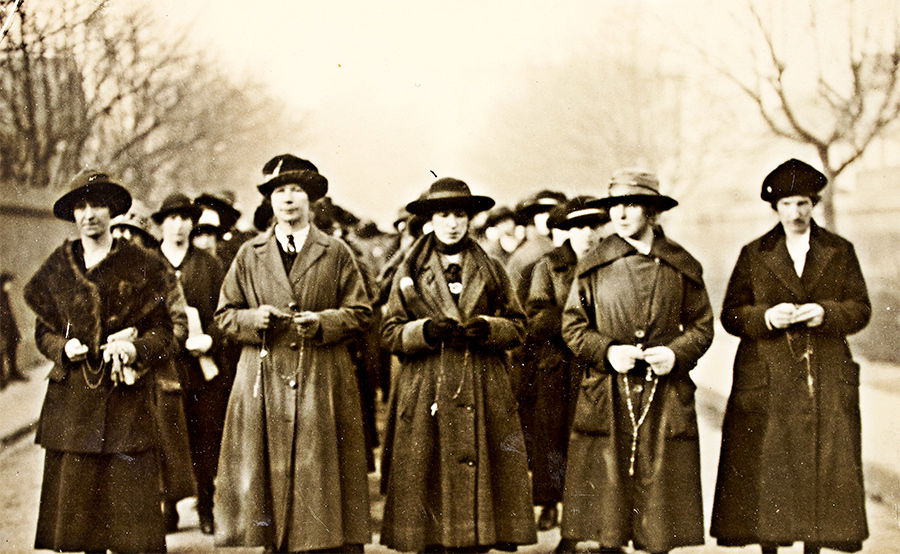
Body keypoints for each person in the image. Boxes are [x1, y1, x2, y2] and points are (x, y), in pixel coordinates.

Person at [710, 159, 872, 554]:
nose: (796, 213)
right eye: (787, 204)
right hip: (768, 375)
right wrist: (765, 316)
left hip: (824, 371)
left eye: (802, 203)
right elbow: (731, 313)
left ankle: (813, 547)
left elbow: (861, 308)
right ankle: (770, 546)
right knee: (771, 466)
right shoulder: (754, 253)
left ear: (814, 204)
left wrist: (827, 313)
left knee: (822, 460)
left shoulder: (838, 250)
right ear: (774, 208)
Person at [213, 154, 372, 552]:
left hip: (321, 373)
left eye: (297, 190)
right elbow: (224, 316)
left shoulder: (335, 252)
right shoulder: (250, 253)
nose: (288, 199)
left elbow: (361, 313)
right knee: (269, 475)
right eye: (280, 191)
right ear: (270, 200)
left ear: (311, 200)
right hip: (264, 377)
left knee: (319, 474)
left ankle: (323, 543)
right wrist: (253, 319)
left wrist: (323, 322)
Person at [558, 169, 714, 554]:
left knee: (660, 506)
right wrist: (608, 351)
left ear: (652, 212)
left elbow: (703, 325)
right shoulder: (593, 265)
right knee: (608, 505)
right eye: (614, 207)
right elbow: (573, 326)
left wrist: (676, 353)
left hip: (664, 391)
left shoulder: (681, 264)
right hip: (609, 390)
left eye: (631, 205)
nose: (621, 215)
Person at [380, 177, 537, 553]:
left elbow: (519, 325)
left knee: (482, 494)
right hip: (427, 388)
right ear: (430, 220)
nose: (452, 223)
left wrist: (489, 329)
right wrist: (425, 332)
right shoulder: (409, 271)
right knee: (430, 493)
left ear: (470, 220)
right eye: (443, 214)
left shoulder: (492, 268)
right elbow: (388, 333)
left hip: (481, 384)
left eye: (460, 215)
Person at [24, 170, 175, 553]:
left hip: (126, 409)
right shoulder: (59, 268)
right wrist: (63, 348)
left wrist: (135, 349)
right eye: (81, 206)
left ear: (112, 211)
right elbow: (43, 334)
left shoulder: (142, 265)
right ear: (73, 215)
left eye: (98, 205)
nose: (90, 214)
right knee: (79, 532)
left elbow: (165, 336)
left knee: (133, 535)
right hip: (73, 410)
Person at [523, 196, 609, 531]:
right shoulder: (549, 266)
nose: (587, 234)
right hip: (557, 363)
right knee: (553, 436)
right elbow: (537, 314)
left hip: (596, 361)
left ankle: (593, 507)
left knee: (593, 435)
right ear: (567, 231)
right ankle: (549, 502)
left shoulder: (610, 262)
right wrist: (576, 324)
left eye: (593, 226)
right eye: (578, 227)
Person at [113, 203, 198, 531]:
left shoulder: (160, 276)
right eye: (117, 234)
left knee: (161, 448)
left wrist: (147, 348)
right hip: (113, 378)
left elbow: (180, 322)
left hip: (157, 375)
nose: (123, 240)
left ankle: (166, 505)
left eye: (131, 235)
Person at [153, 192, 228, 535]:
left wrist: (210, 337)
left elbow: (225, 310)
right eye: (172, 218)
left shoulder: (209, 265)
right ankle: (168, 506)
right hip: (163, 366)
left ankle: (206, 506)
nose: (179, 225)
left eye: (185, 218)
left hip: (201, 365)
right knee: (165, 437)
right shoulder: (148, 262)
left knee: (204, 435)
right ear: (162, 223)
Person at [0, 271, 27, 387]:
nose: (10, 286)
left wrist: (14, 329)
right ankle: (1, 379)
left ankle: (13, 373)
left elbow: (9, 314)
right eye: (9, 283)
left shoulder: (5, 295)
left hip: (9, 327)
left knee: (13, 348)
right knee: (1, 352)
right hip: (1, 329)